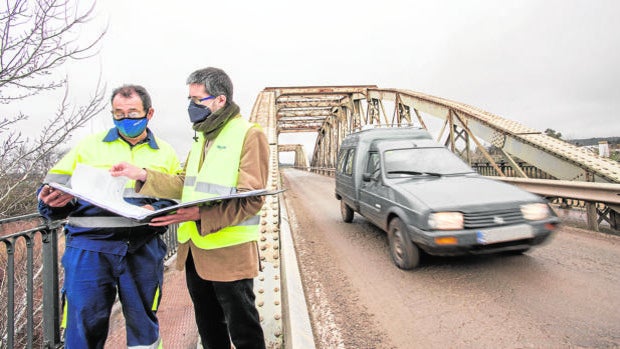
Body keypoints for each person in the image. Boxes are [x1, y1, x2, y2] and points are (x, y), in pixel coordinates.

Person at [110, 67, 269, 349]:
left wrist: (198, 214)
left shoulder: (248, 134)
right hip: (194, 249)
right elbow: (186, 183)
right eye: (189, 99)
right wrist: (143, 175)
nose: (191, 106)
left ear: (220, 100)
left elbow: (251, 198)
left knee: (243, 330)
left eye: (197, 100)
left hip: (230, 252)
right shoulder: (202, 136)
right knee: (209, 328)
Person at [37, 85, 181, 349]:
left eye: (132, 113)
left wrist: (158, 207)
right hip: (89, 248)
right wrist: (50, 201)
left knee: (143, 325)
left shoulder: (166, 152)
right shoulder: (88, 146)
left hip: (142, 247)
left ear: (149, 114)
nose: (125, 119)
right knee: (82, 326)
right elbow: (52, 191)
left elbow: (178, 195)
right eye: (119, 114)